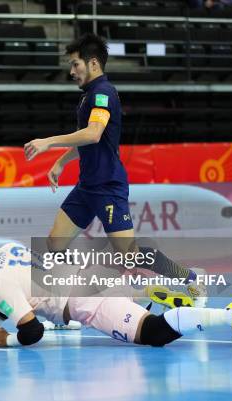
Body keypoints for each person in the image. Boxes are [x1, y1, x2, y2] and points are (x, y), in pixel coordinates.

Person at [23, 34, 208, 307]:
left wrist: (48, 142)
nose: (71, 71)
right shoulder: (89, 96)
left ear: (93, 63)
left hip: (108, 186)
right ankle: (61, 306)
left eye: (75, 64)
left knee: (130, 256)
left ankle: (190, 277)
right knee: (54, 243)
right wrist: (62, 161)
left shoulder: (102, 93)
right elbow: (86, 138)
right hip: (87, 187)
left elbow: (94, 133)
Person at [0, 228, 232, 348]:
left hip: (88, 302)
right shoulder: (7, 250)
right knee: (140, 313)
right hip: (91, 275)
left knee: (153, 335)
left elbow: (33, 333)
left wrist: (3, 341)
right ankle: (158, 292)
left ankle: (230, 314)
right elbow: (9, 303)